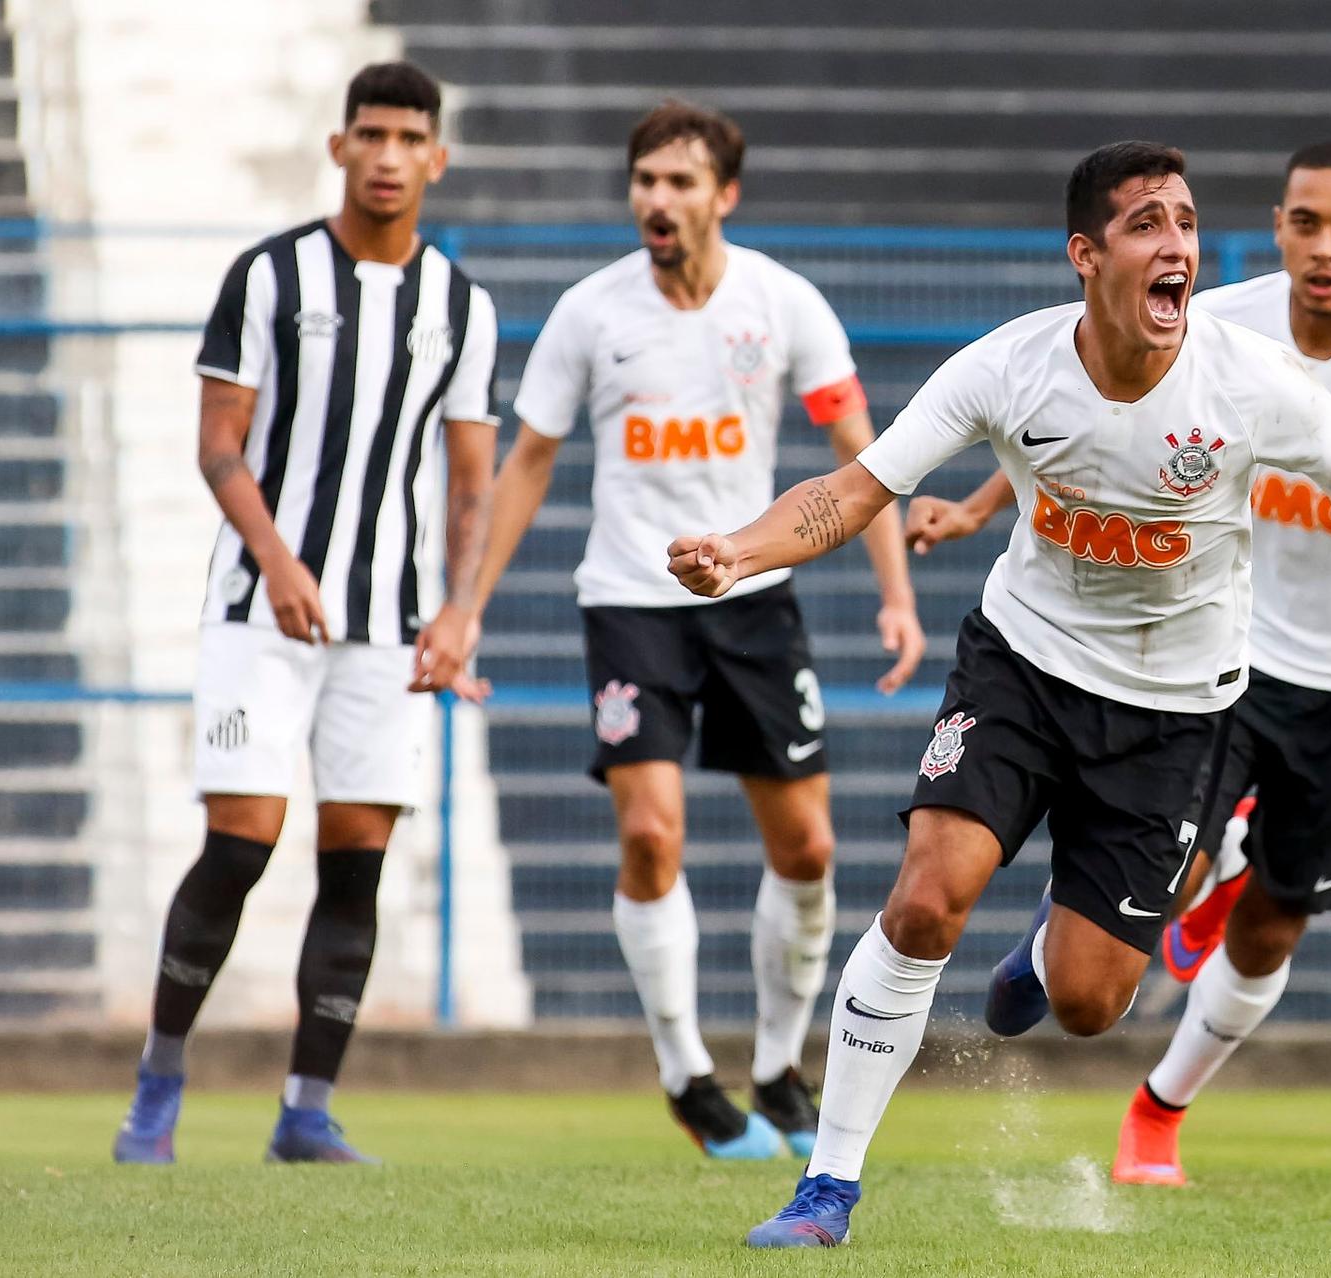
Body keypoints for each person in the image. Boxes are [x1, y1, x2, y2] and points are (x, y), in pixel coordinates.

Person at [667, 141, 1331, 1247]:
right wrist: (739, 553)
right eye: (1146, 224)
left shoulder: (1253, 385)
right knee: (927, 896)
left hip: (1177, 712)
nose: (1176, 242)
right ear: (1087, 257)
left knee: (1091, 1003)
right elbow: (855, 489)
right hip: (1024, 667)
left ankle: (1043, 951)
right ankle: (825, 1190)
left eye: (1184, 221)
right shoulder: (1006, 366)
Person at [911, 139, 1331, 1187]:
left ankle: (1160, 1109)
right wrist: (975, 505)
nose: (1321, 248)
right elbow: (1093, 439)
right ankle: (1088, 941)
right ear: (1277, 224)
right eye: (1303, 223)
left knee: (1275, 920)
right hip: (1223, 661)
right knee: (1175, 873)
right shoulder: (1211, 321)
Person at [463, 100, 926, 1161]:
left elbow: (864, 457)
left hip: (752, 598)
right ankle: (685, 1073)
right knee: (648, 834)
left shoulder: (784, 303)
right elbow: (528, 459)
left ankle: (775, 1064)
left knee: (807, 847)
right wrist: (468, 607)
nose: (656, 201)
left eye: (679, 182)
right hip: (631, 601)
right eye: (644, 181)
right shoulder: (591, 314)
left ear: (725, 194)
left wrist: (894, 594)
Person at [112, 61, 499, 1165]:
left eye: (407, 137)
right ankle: (158, 1083)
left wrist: (459, 610)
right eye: (368, 134)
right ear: (338, 148)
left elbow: (471, 480)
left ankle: (306, 1109)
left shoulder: (461, 307)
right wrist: (277, 561)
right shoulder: (270, 276)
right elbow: (219, 445)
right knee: (240, 843)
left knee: (356, 861)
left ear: (436, 157)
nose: (386, 155)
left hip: (386, 626)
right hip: (257, 613)